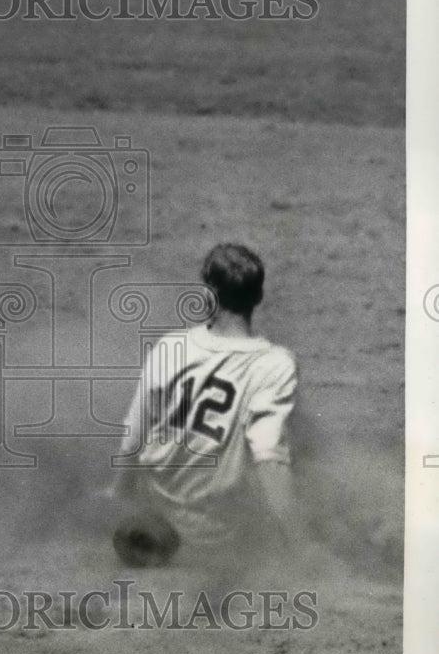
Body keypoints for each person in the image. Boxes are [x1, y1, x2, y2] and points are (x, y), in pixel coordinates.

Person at [110, 243, 313, 567]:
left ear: (208, 294)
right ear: (258, 297)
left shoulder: (170, 347)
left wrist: (118, 497)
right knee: (297, 440)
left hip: (153, 524)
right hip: (218, 538)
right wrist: (300, 545)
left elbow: (134, 433)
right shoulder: (274, 363)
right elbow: (269, 458)